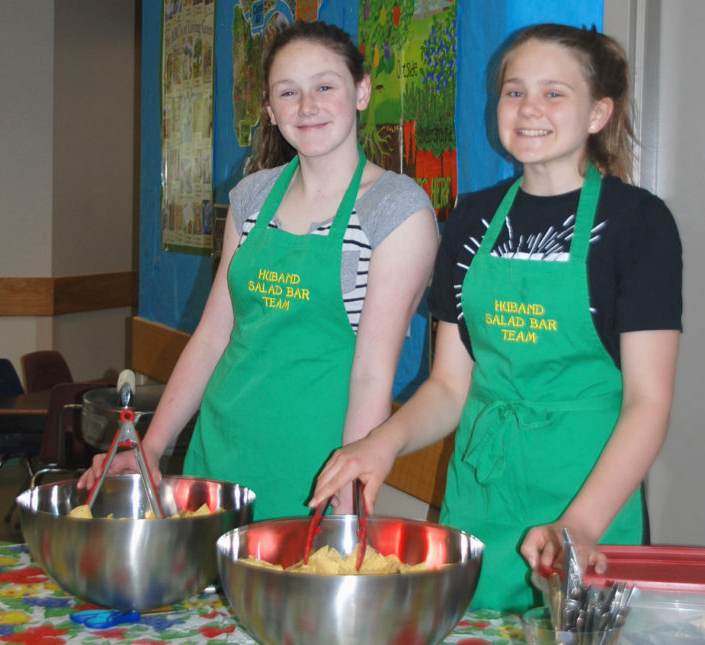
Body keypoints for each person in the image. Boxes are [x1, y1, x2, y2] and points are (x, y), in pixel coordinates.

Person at [310, 23, 682, 612]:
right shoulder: (471, 219)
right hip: (482, 498)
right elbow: (449, 386)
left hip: (588, 502)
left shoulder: (637, 223)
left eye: (554, 92)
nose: (529, 108)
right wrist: (382, 444)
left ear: (598, 113)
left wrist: (581, 524)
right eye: (515, 91)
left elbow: (648, 402)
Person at [78, 21, 438, 521]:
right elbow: (213, 336)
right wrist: (150, 447)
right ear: (269, 109)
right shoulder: (252, 196)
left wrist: (348, 500)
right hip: (220, 452)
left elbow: (373, 372)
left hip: (316, 470)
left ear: (361, 91)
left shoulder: (395, 209)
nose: (306, 106)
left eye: (325, 87)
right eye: (288, 92)